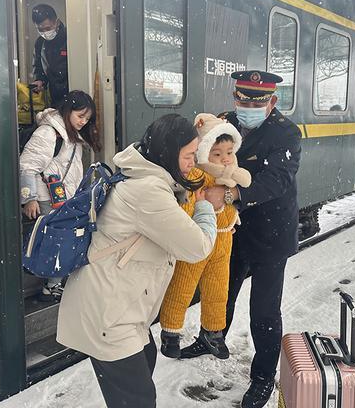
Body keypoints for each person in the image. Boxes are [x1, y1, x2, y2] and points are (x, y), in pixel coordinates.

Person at [56, 114, 218, 408]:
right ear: (168, 154)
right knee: (138, 400)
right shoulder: (147, 192)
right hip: (109, 315)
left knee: (144, 366)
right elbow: (198, 247)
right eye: (189, 155)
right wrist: (206, 206)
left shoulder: (141, 174)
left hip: (122, 310)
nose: (193, 162)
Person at [205, 70, 302, 408]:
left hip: (271, 232)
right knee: (220, 290)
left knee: (264, 310)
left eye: (254, 102)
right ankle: (212, 337)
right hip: (232, 229)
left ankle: (262, 377)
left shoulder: (286, 133)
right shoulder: (225, 122)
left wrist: (231, 195)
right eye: (241, 100)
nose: (245, 107)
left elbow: (277, 180)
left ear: (272, 102)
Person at [159, 113, 251, 360]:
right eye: (217, 153)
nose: (225, 159)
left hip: (223, 241)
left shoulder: (231, 177)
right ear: (203, 152)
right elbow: (186, 207)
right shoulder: (196, 177)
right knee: (182, 286)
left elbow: (233, 202)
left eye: (229, 152)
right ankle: (170, 332)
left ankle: (213, 332)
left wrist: (232, 211)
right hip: (197, 241)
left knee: (218, 290)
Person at [19, 90, 100, 299]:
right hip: (47, 197)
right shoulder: (49, 133)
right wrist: (30, 199)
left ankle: (52, 281)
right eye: (80, 116)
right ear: (67, 110)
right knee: (58, 240)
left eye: (87, 118)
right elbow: (27, 166)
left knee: (60, 239)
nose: (83, 122)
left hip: (62, 198)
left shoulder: (69, 134)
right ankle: (49, 283)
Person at [31, 4, 69, 108]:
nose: (45, 33)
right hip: (53, 96)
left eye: (48, 28)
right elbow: (38, 67)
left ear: (56, 22)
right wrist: (39, 80)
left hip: (72, 92)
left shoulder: (69, 37)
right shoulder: (40, 43)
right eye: (40, 30)